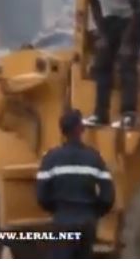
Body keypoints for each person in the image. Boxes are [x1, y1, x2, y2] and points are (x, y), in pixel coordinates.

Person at [81, 0, 140, 129]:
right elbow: (93, 1)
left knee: (126, 61)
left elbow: (139, 9)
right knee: (101, 63)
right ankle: (100, 114)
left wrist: (127, 42)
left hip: (133, 16)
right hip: (110, 16)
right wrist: (102, 33)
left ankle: (129, 115)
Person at [36, 109, 115, 259]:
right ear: (81, 129)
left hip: (62, 221)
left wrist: (57, 209)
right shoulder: (94, 158)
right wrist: (93, 212)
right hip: (87, 222)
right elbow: (108, 196)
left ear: (62, 130)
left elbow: (41, 195)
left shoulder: (51, 158)